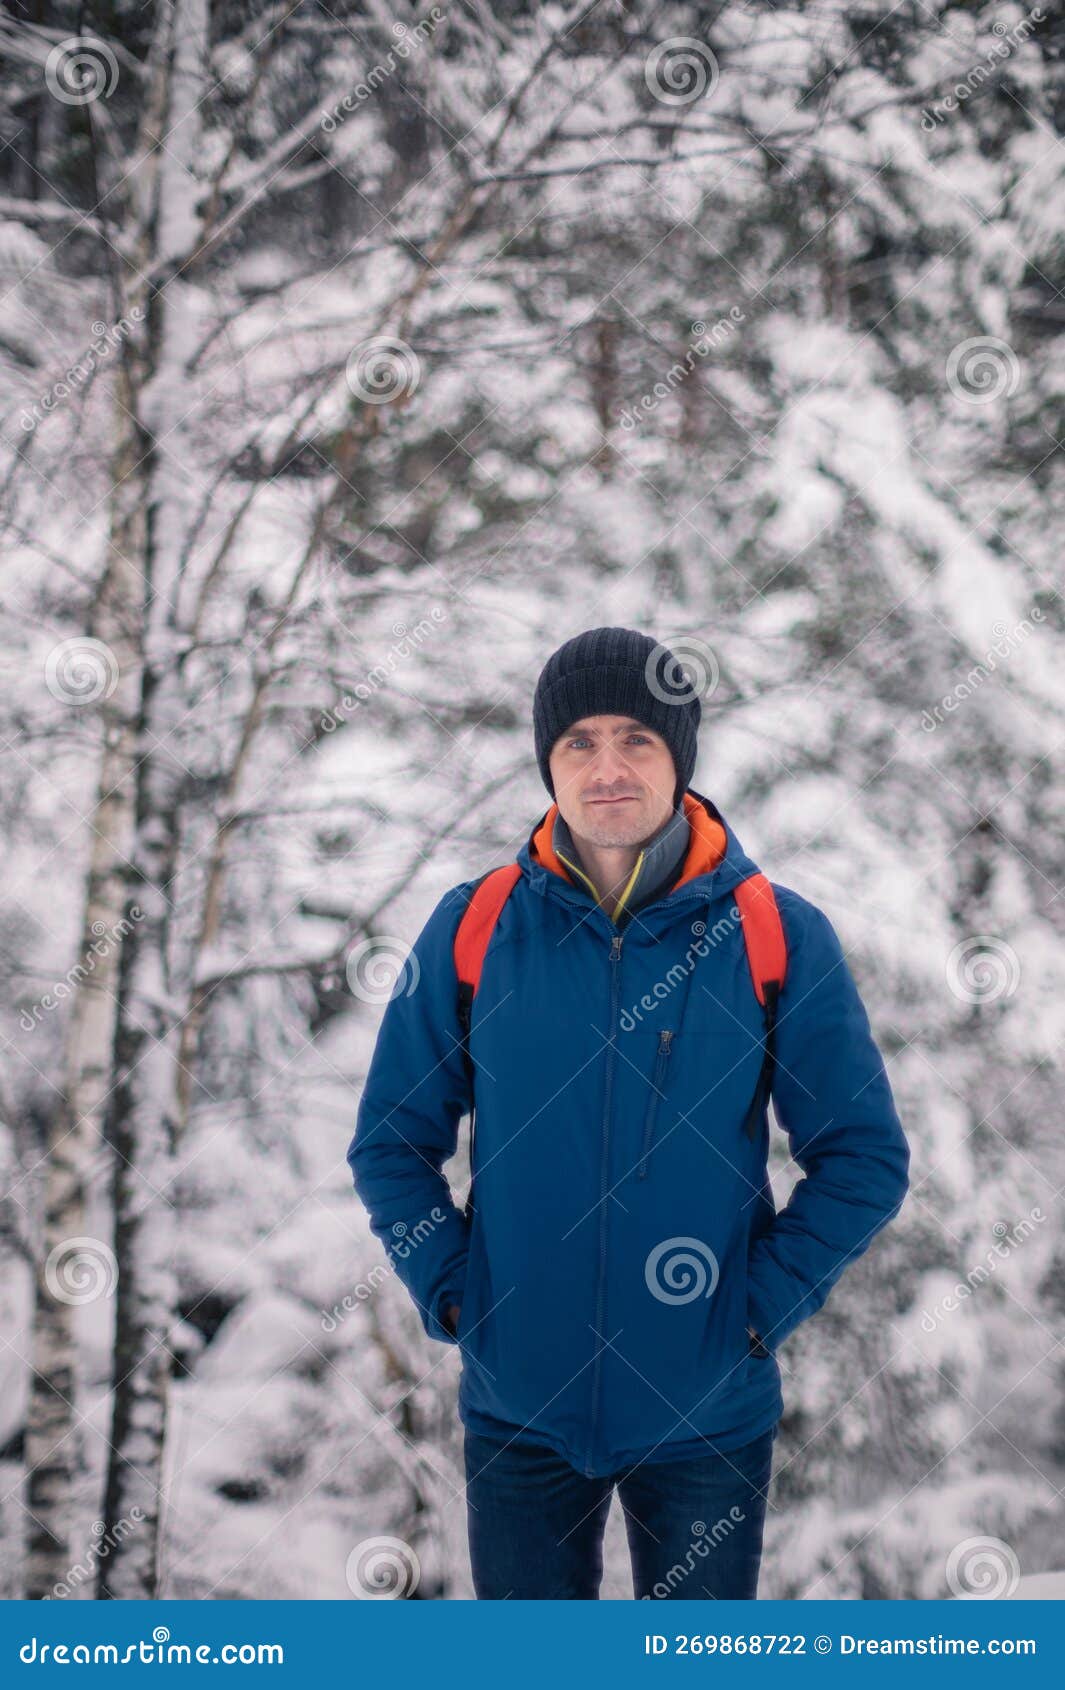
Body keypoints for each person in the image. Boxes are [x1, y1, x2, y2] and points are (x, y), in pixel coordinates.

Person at [348, 625, 910, 1599]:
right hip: (518, 1411)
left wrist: (754, 1312)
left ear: (679, 758)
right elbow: (391, 1143)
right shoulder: (473, 926)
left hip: (707, 1419)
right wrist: (457, 1294)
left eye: (636, 740)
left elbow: (863, 1157)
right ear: (549, 764)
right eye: (579, 742)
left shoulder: (775, 933)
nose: (606, 767)